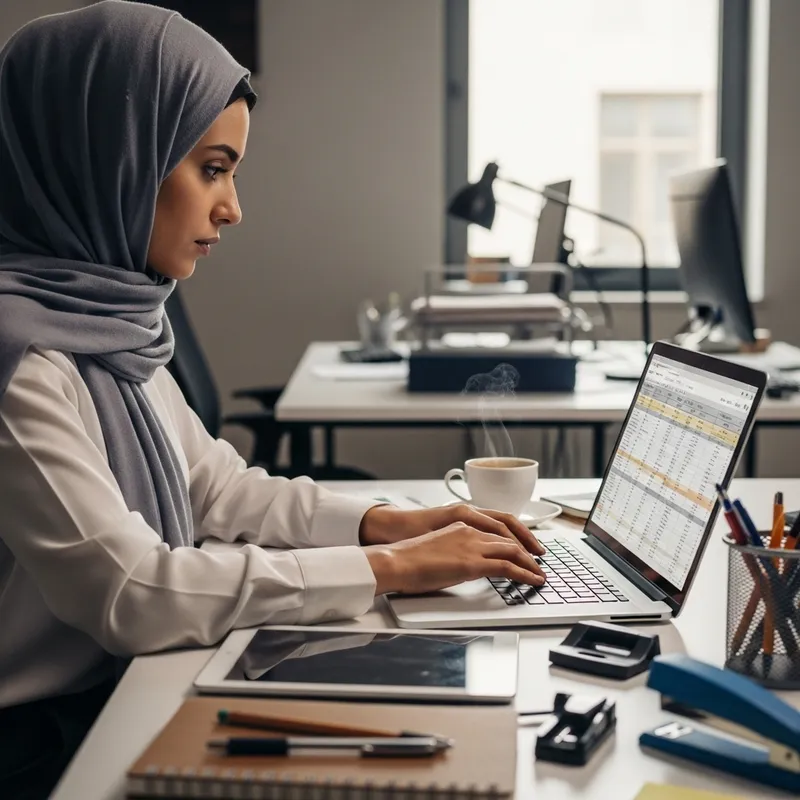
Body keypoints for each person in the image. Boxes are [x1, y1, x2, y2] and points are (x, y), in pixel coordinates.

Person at [0, 2, 545, 797]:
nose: (232, 207)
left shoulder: (108, 323)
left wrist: (384, 522)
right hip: (41, 744)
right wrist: (389, 567)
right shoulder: (22, 361)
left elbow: (215, 488)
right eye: (212, 168)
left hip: (117, 693)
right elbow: (131, 591)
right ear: (112, 158)